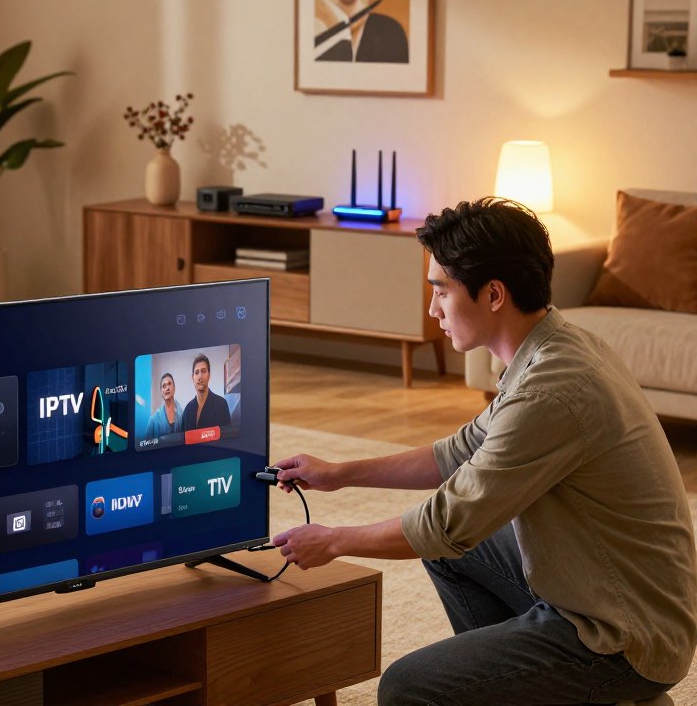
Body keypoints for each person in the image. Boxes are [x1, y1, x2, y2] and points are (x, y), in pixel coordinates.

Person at [271, 198, 697, 705]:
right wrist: (340, 472)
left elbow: (446, 524)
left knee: (407, 687)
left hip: (624, 637)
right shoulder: (554, 348)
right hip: (602, 588)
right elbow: (458, 454)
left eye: (441, 291)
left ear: (493, 294)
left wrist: (334, 541)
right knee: (455, 555)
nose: (433, 310)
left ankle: (591, 687)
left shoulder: (551, 391)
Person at [181, 354, 231, 432]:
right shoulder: (187, 410)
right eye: (196, 372)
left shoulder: (221, 404)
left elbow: (228, 436)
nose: (200, 376)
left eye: (204, 371)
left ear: (209, 375)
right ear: (192, 378)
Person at [145, 372, 184, 439]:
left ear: (174, 388)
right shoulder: (153, 420)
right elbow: (146, 443)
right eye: (164, 386)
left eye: (169, 384)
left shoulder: (183, 415)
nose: (167, 388)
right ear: (161, 392)